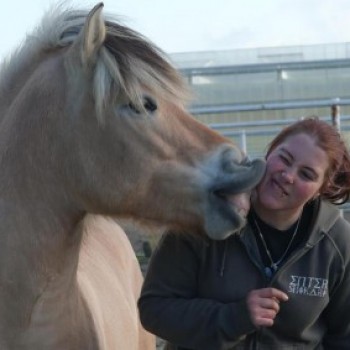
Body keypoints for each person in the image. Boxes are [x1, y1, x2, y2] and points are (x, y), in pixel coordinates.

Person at [138, 117, 350, 350]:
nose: (288, 176)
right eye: (285, 159)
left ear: (321, 189)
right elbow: (154, 308)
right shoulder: (207, 215)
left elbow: (344, 335)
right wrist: (232, 318)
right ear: (269, 153)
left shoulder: (338, 244)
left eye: (307, 174)